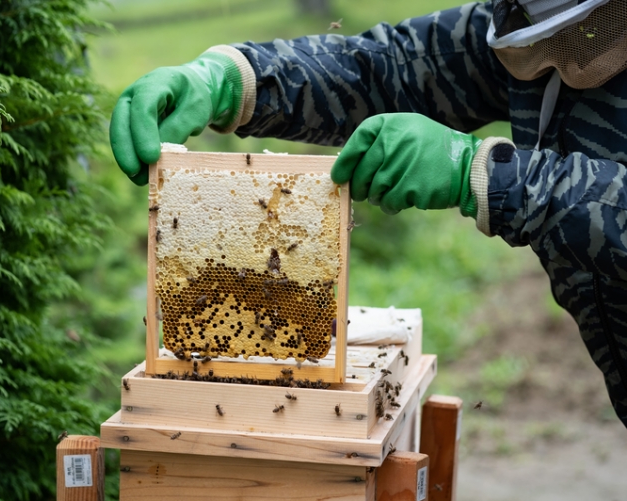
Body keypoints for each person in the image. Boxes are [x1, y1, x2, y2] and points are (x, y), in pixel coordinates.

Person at [109, 0, 627, 429]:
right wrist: (235, 78)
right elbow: (390, 67)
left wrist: (484, 173)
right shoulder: (529, 23)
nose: (563, 51)